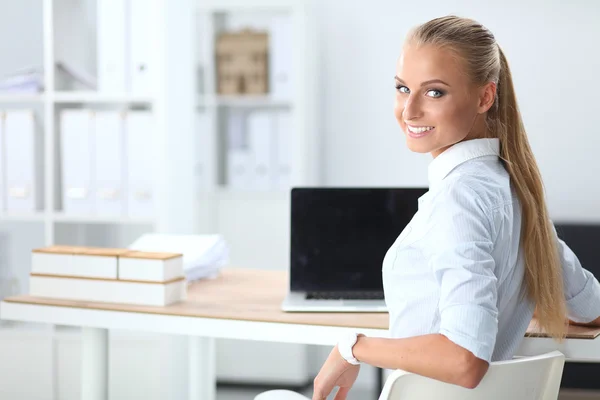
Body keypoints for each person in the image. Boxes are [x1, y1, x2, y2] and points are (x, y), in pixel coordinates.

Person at [311, 15, 600, 400]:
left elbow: (465, 360)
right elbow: (591, 308)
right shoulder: (515, 191)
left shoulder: (459, 200)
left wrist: (352, 347)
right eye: (402, 88)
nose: (409, 110)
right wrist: (510, 302)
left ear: (485, 97)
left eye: (434, 93)